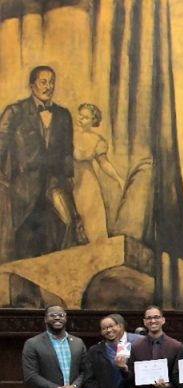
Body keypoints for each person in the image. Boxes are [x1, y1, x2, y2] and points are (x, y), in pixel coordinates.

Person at [0, 66, 84, 261]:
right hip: (24, 188)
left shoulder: (64, 115)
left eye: (51, 82)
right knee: (25, 242)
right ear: (32, 85)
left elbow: (66, 152)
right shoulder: (15, 112)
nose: (49, 87)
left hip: (54, 186)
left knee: (61, 233)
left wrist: (68, 177)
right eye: (43, 82)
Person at [22, 305, 87, 388]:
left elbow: (86, 370)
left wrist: (74, 387)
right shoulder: (32, 344)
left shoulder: (78, 343)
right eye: (52, 315)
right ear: (45, 319)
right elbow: (31, 376)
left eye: (61, 315)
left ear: (65, 319)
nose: (57, 318)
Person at [73, 103, 124, 243]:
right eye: (80, 115)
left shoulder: (96, 140)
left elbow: (104, 163)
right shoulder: (68, 133)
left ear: (93, 121)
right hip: (70, 179)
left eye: (86, 117)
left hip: (86, 182)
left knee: (91, 217)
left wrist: (118, 178)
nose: (81, 119)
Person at [127, 306, 181, 388]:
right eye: (149, 318)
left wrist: (168, 386)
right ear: (144, 322)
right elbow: (130, 378)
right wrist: (124, 369)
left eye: (156, 317)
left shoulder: (176, 346)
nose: (153, 321)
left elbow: (179, 378)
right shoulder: (135, 346)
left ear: (163, 320)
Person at [83, 315, 134, 388]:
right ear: (101, 332)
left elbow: (135, 379)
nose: (109, 330)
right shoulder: (94, 351)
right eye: (104, 328)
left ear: (119, 327)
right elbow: (89, 380)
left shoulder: (130, 348)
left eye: (111, 326)